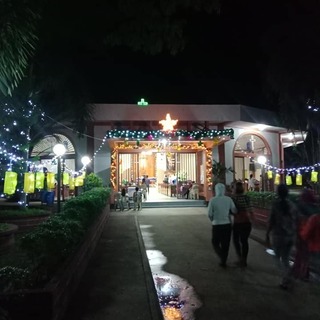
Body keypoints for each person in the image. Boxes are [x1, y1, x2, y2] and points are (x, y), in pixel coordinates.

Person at [266, 184, 298, 290]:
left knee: (277, 258)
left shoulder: (276, 205)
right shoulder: (292, 205)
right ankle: (287, 278)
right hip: (290, 236)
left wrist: (267, 233)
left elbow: (271, 221)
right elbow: (296, 221)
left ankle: (287, 277)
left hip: (279, 236)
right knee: (285, 258)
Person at [208, 183, 237, 268]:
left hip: (216, 224)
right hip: (227, 224)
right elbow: (234, 210)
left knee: (215, 242)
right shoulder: (228, 199)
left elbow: (209, 214)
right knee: (226, 243)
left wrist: (213, 220)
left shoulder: (213, 200)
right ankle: (223, 259)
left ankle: (222, 256)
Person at [292, 189, 318, 280]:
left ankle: (301, 273)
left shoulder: (300, 206)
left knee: (300, 254)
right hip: (312, 235)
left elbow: (296, 219)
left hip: (302, 233)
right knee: (304, 255)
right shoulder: (315, 207)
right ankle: (301, 272)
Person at [231, 181, 254, 267]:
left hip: (238, 222)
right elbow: (251, 210)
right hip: (247, 222)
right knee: (244, 241)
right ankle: (244, 259)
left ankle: (240, 258)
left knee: (236, 240)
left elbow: (232, 211)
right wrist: (253, 219)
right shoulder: (247, 197)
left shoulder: (233, 198)